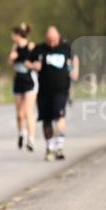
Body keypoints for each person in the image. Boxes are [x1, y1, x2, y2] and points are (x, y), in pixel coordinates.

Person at [30, 26, 79, 161]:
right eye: (49, 40)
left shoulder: (66, 48)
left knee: (59, 116)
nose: (51, 43)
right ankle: (49, 148)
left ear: (58, 37)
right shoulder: (39, 49)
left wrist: (75, 71)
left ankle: (59, 146)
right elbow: (28, 62)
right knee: (46, 120)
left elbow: (74, 59)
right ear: (46, 38)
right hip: (44, 91)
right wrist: (34, 65)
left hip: (61, 89)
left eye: (54, 40)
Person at [9, 23, 37, 151]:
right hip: (18, 80)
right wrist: (12, 57)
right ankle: (22, 133)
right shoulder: (15, 47)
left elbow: (37, 64)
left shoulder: (31, 46)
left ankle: (31, 140)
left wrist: (29, 65)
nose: (11, 36)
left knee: (27, 111)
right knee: (19, 114)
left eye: (13, 34)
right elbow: (11, 63)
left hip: (29, 80)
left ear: (18, 34)